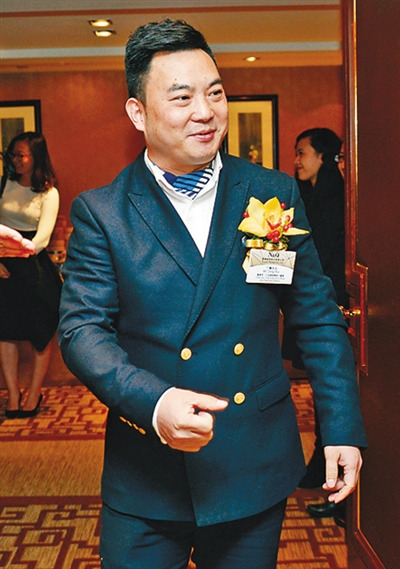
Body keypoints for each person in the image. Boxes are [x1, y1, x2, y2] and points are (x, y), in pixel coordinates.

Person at [58, 19, 366, 569]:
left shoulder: (271, 193)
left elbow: (317, 317)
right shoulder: (103, 212)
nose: (205, 111)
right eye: (182, 97)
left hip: (252, 460)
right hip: (147, 473)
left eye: (215, 92)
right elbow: (82, 332)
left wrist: (340, 427)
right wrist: (154, 403)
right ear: (138, 113)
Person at [282, 128, 349, 523]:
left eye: (302, 153)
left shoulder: (337, 200)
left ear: (323, 157)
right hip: (311, 306)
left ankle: (337, 487)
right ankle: (321, 471)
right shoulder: (306, 196)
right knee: (322, 396)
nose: (297, 161)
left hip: (330, 309)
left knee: (333, 395)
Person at [0, 131, 61, 419]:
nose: (15, 160)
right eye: (12, 154)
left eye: (21, 155)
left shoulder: (48, 192)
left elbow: (42, 239)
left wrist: (14, 255)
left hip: (33, 266)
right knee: (5, 333)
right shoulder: (4, 184)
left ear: (36, 157)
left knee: (40, 332)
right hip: (2, 267)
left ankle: (34, 393)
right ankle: (13, 396)